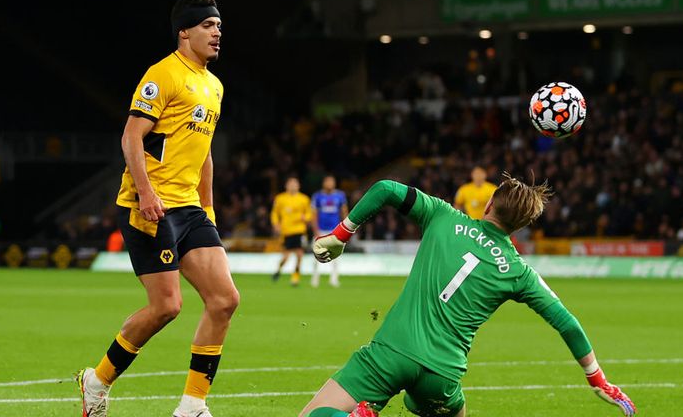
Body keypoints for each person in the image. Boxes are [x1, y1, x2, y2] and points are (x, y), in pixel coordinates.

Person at [302, 175, 637, 417]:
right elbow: (567, 324)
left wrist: (342, 233)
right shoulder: (519, 272)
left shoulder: (442, 216)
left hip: (391, 353)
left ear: (489, 203)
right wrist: (597, 379)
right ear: (520, 226)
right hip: (442, 375)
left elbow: (386, 189)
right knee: (443, 408)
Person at [76, 0, 240, 417]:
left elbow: (203, 153)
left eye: (219, 25)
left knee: (224, 300)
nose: (217, 31)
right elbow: (131, 137)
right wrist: (147, 193)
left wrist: (209, 208)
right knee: (167, 306)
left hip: (190, 209)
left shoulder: (214, 86)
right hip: (149, 207)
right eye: (207, 25)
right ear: (184, 31)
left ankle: (192, 406)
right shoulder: (163, 74)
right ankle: (96, 381)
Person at [271, 176, 312, 286]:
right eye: (291, 184)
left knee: (299, 254)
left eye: (295, 184)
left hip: (299, 231)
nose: (293, 186)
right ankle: (279, 270)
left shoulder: (304, 199)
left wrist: (306, 218)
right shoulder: (280, 198)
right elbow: (275, 213)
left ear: (298, 186)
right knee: (286, 256)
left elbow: (309, 213)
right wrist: (276, 224)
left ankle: (295, 277)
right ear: (286, 186)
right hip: (286, 231)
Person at [310, 175, 348, 287]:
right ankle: (315, 278)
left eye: (332, 181)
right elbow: (314, 214)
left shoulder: (340, 196)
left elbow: (344, 212)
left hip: (335, 231)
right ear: (324, 183)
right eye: (328, 181)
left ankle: (334, 279)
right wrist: (315, 230)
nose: (330, 184)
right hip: (321, 230)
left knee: (336, 256)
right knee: (317, 255)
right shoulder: (317, 196)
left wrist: (346, 229)